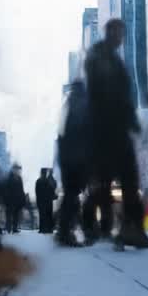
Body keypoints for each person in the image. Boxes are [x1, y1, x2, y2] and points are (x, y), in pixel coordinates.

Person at [83, 19, 148, 250]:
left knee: (119, 180)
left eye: (123, 33)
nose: (121, 37)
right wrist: (127, 119)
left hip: (111, 128)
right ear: (110, 32)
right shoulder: (101, 58)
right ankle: (125, 229)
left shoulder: (107, 58)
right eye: (118, 32)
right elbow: (109, 95)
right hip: (109, 129)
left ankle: (127, 229)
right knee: (121, 179)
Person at [55, 81, 89, 247]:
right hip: (77, 158)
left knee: (71, 195)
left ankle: (65, 231)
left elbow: (61, 135)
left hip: (67, 158)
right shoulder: (81, 104)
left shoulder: (68, 104)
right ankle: (64, 233)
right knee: (72, 195)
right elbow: (83, 132)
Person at [4, 164, 25, 234]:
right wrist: (6, 199)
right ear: (13, 169)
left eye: (18, 170)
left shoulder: (19, 178)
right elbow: (6, 189)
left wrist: (22, 198)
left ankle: (14, 228)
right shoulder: (9, 178)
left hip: (17, 200)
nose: (18, 171)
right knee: (9, 214)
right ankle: (8, 228)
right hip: (10, 200)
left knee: (16, 215)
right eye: (16, 169)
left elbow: (21, 190)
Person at [34, 168, 55, 234]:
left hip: (42, 201)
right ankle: (48, 229)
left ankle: (42, 229)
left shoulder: (39, 181)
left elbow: (37, 192)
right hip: (48, 201)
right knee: (48, 215)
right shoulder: (48, 181)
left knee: (42, 215)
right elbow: (52, 190)